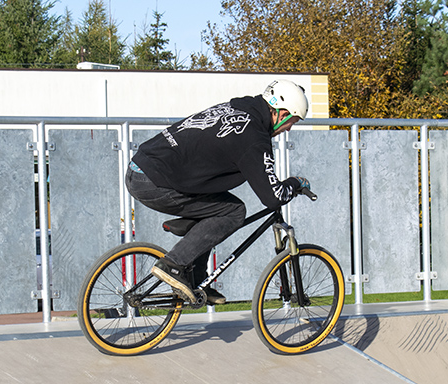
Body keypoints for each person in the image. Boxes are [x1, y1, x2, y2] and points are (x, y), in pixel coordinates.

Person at [126, 79, 312, 305]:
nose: (290, 128)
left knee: (218, 206)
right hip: (154, 181)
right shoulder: (253, 138)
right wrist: (296, 182)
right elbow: (273, 197)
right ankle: (173, 265)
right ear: (281, 114)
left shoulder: (239, 108)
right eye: (292, 121)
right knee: (233, 212)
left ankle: (195, 279)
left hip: (142, 167)